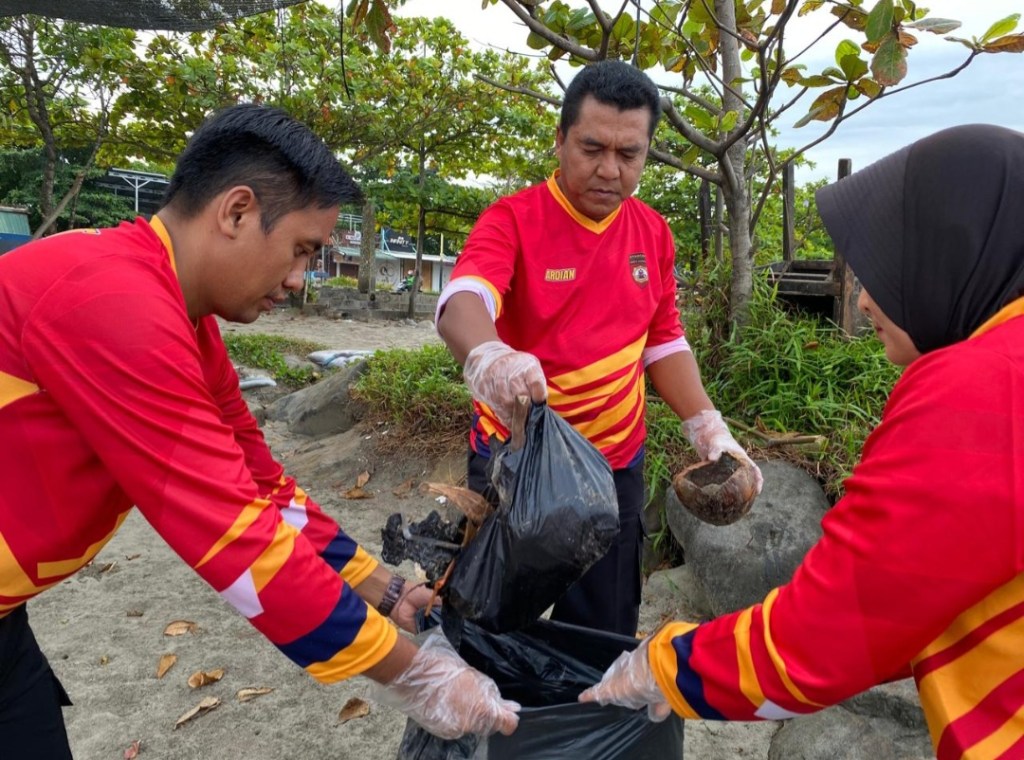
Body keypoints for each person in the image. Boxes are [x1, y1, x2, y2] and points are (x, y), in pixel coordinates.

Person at [0, 104, 518, 759]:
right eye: (302, 250)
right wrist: (415, 674)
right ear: (237, 211)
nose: (300, 281)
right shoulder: (111, 304)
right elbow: (230, 532)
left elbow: (260, 486)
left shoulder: (186, 321)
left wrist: (384, 590)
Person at [578, 124, 1024, 759]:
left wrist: (663, 665)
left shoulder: (980, 391)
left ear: (950, 254)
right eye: (593, 148)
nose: (864, 301)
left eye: (888, 273)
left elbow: (822, 640)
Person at [435, 60, 762, 637]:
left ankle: (589, 722)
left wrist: (708, 427)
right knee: (493, 626)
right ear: (560, 141)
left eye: (629, 154)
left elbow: (663, 340)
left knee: (604, 632)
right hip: (517, 465)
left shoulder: (653, 233)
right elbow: (463, 299)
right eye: (591, 147)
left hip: (615, 467)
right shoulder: (512, 219)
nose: (609, 169)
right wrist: (489, 357)